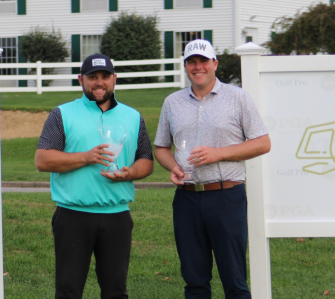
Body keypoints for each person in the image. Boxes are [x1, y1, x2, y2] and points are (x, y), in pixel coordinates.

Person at [154, 39, 271, 299]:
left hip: (226, 196)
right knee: (194, 282)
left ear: (214, 63)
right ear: (185, 66)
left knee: (235, 281)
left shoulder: (237, 97)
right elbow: (160, 147)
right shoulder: (172, 103)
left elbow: (263, 143)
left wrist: (218, 154)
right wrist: (172, 166)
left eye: (203, 61)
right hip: (186, 198)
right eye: (192, 62)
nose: (198, 67)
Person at [35, 53, 154, 299]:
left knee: (116, 291)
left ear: (114, 79)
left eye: (105, 77)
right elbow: (43, 160)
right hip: (73, 216)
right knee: (68, 291)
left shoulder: (133, 117)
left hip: (117, 217)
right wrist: (86, 157)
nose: (99, 83)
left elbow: (147, 161)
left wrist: (130, 173)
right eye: (92, 77)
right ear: (81, 80)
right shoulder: (62, 114)